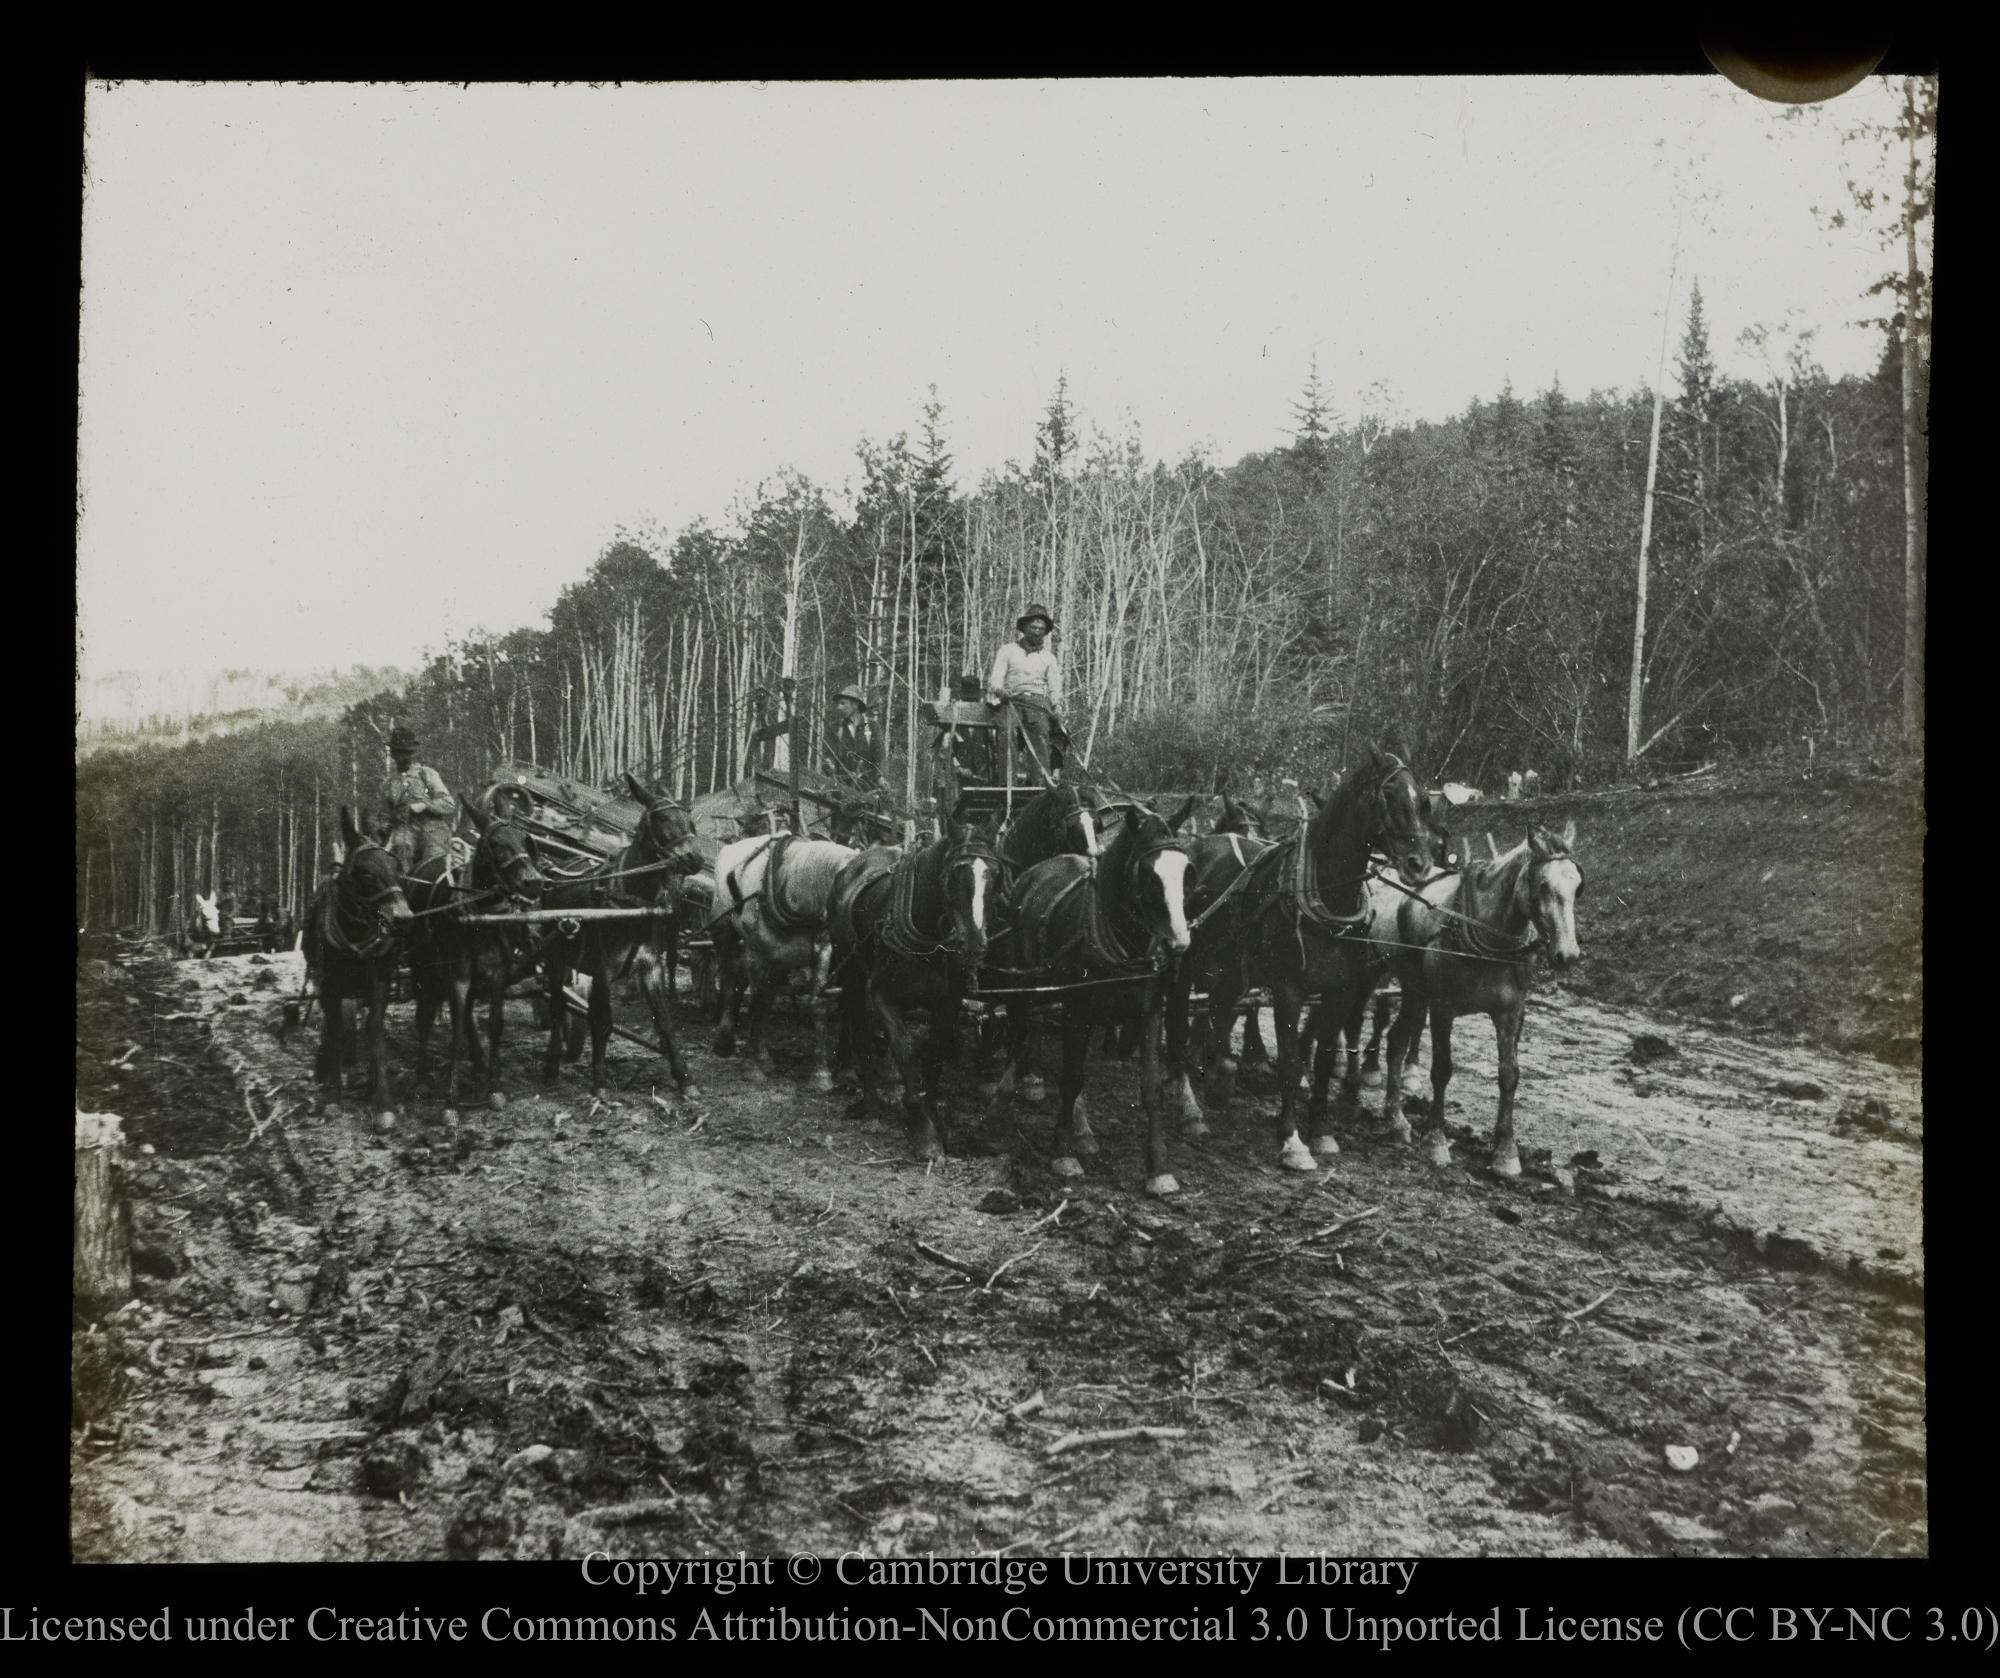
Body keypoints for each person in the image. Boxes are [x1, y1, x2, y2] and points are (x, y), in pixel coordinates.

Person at [985, 604, 1066, 786]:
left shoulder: (1048, 658)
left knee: (1041, 735)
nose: (1037, 632)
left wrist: (1057, 708)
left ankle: (1039, 786)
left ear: (1045, 633)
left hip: (1037, 704)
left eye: (1041, 629)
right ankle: (1008, 785)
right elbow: (995, 678)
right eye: (1033, 627)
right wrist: (1000, 691)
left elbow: (1055, 687)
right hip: (1011, 701)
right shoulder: (1008, 651)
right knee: (1007, 731)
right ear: (1024, 628)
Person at [379, 724, 459, 873]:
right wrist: (388, 824)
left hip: (433, 827)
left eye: (409, 753)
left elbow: (449, 804)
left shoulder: (426, 774)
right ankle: (406, 889)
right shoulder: (388, 785)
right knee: (401, 848)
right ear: (393, 755)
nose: (407, 757)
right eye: (402, 753)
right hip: (405, 828)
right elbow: (383, 816)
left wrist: (425, 805)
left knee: (435, 858)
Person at [825, 684, 884, 789]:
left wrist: (880, 777)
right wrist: (829, 764)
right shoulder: (835, 728)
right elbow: (829, 756)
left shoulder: (871, 727)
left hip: (867, 789)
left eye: (843, 703)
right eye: (838, 704)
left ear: (855, 705)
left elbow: (879, 757)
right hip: (841, 787)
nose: (839, 707)